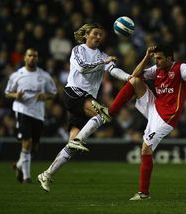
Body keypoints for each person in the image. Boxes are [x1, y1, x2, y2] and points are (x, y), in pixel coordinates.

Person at [91, 44, 186, 200]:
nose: (156, 61)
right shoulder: (156, 69)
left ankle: (144, 193)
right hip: (154, 107)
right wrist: (146, 57)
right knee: (134, 82)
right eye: (155, 58)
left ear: (169, 58)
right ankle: (110, 113)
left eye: (159, 58)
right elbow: (134, 75)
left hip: (167, 118)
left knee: (146, 149)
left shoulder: (180, 68)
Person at [37, 23, 130, 192]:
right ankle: (80, 139)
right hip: (73, 93)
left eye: (100, 35)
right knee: (102, 113)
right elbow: (82, 67)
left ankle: (47, 174)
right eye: (95, 33)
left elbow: (113, 70)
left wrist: (129, 78)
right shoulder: (78, 50)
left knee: (71, 146)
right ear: (86, 34)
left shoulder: (102, 55)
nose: (98, 37)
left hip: (85, 101)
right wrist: (103, 61)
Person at [5, 48, 57, 183]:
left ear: (37, 58)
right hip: (22, 110)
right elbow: (7, 92)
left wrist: (46, 96)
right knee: (27, 142)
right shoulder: (17, 75)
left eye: (35, 55)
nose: (32, 58)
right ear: (24, 58)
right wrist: (15, 95)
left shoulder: (44, 76)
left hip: (38, 114)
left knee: (34, 149)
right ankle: (26, 178)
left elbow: (54, 93)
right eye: (30, 55)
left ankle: (18, 166)